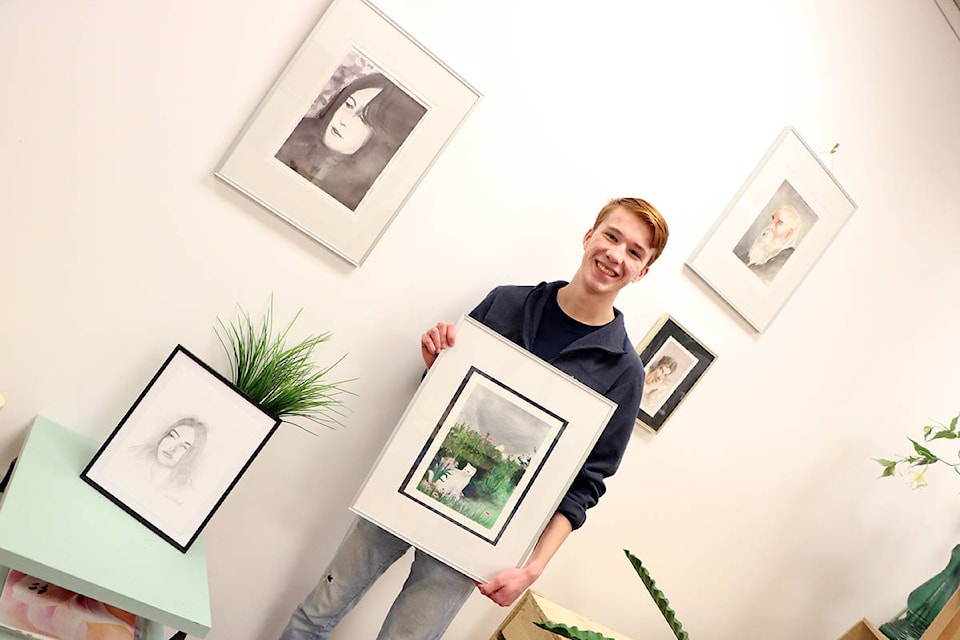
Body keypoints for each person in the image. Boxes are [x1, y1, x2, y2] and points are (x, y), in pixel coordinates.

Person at [279, 197, 670, 640]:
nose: (616, 255)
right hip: (404, 491)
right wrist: (436, 364)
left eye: (635, 252)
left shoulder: (624, 373)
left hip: (479, 535)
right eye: (611, 236)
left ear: (643, 270)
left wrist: (533, 569)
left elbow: (584, 486)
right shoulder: (506, 303)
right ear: (589, 236)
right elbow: (445, 400)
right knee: (316, 615)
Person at [275, 72, 426, 211]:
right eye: (348, 105)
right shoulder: (288, 135)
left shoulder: (365, 197)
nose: (344, 121)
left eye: (363, 119)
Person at [123, 417, 207, 492]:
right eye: (172, 436)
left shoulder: (184, 491)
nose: (172, 448)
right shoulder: (133, 455)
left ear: (192, 455)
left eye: (184, 447)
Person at [742, 205, 802, 284]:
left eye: (779, 223)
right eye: (773, 219)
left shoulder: (785, 259)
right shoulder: (752, 253)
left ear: (789, 233)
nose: (769, 226)